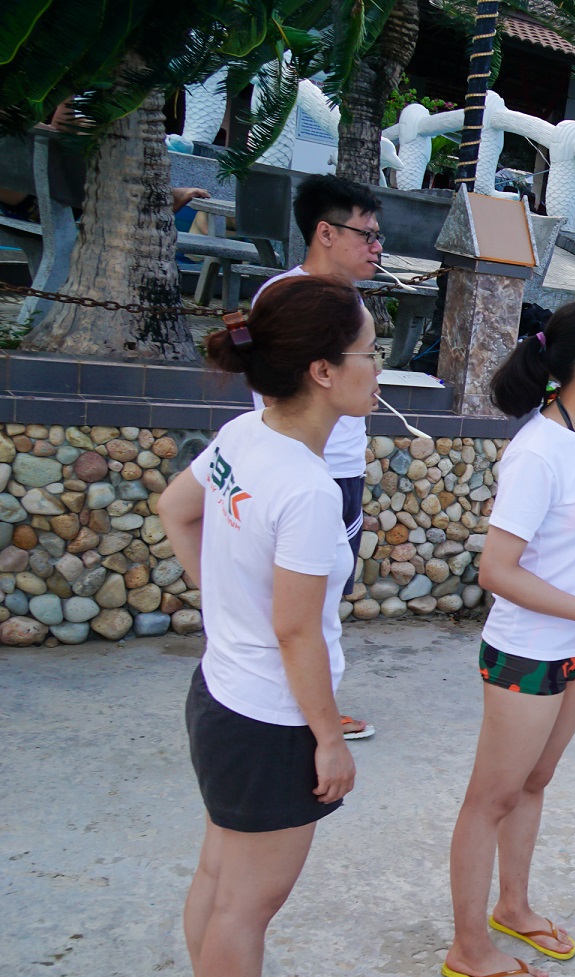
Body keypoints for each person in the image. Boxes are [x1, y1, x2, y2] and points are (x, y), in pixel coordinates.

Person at [159, 277, 381, 977]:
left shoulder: (243, 435)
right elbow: (296, 632)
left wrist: (224, 608)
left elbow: (175, 509)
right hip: (268, 721)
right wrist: (328, 738)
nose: (378, 368)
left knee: (220, 877)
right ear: (323, 371)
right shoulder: (308, 489)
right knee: (246, 904)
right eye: (369, 353)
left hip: (221, 695)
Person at [442, 301, 575, 977]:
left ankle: (513, 907)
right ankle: (469, 946)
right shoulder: (537, 451)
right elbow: (497, 571)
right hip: (529, 652)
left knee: (535, 781)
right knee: (491, 798)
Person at [247, 174, 388, 742]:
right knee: (305, 601)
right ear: (325, 233)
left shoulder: (349, 301)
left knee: (323, 597)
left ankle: (305, 704)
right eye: (366, 235)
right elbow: (270, 389)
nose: (376, 247)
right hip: (304, 472)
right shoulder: (285, 296)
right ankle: (308, 716)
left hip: (340, 471)